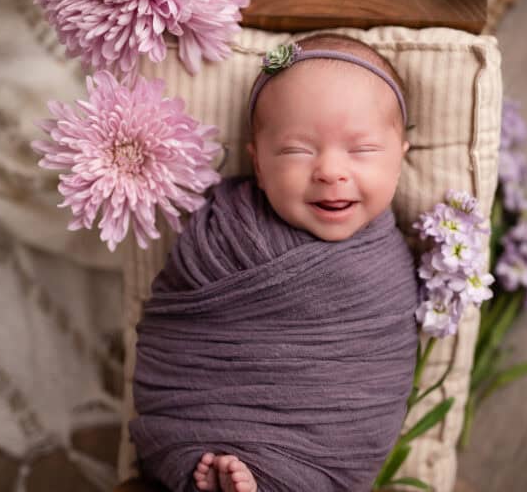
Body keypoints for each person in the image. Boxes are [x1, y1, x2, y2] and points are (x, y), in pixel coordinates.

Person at [130, 33, 419, 492]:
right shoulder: (225, 230)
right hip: (196, 422)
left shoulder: (385, 267)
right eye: (296, 150)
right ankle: (214, 471)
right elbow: (176, 335)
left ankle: (271, 478)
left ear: (400, 160)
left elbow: (375, 384)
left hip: (323, 453)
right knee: (189, 451)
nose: (330, 172)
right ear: (259, 166)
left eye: (361, 150)